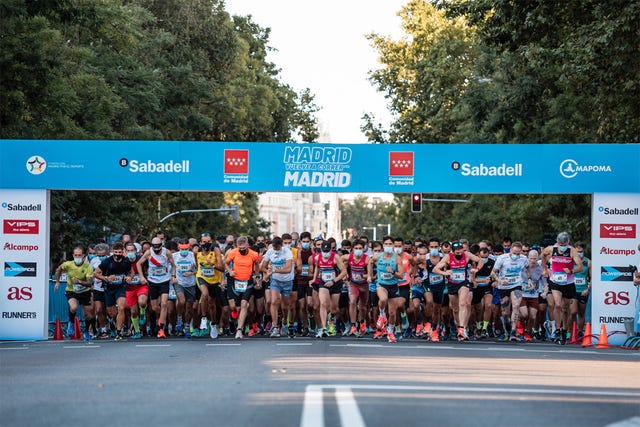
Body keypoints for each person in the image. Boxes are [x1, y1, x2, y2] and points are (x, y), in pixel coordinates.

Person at [433, 241, 484, 341]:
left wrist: (477, 269)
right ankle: (459, 327)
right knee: (455, 309)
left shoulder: (467, 255)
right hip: (452, 284)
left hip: (463, 283)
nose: (460, 253)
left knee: (463, 303)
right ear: (453, 251)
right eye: (457, 252)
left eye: (461, 250)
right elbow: (435, 269)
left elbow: (480, 261)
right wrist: (445, 272)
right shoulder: (448, 257)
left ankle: (462, 329)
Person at [541, 232, 583, 345]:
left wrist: (571, 271)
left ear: (568, 242)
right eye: (560, 244)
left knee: (565, 309)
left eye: (564, 244)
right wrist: (544, 269)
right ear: (557, 242)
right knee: (557, 304)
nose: (562, 246)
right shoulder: (551, 249)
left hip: (568, 282)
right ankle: (557, 329)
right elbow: (543, 254)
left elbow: (580, 266)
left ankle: (564, 330)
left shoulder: (572, 250)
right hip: (555, 281)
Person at [137, 237, 177, 339]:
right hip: (153, 281)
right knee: (155, 307)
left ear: (161, 245)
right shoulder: (148, 252)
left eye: (158, 247)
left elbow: (173, 265)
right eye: (154, 247)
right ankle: (161, 320)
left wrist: (173, 275)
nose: (156, 249)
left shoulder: (166, 252)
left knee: (164, 304)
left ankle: (161, 328)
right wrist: (142, 276)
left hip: (164, 281)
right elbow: (138, 263)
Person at [224, 236, 262, 339]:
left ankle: (239, 330)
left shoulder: (254, 254)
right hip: (234, 280)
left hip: (248, 281)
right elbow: (226, 263)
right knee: (235, 307)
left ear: (248, 246)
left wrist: (257, 277)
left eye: (244, 248)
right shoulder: (233, 252)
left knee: (244, 304)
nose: (242, 250)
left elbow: (257, 265)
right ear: (237, 246)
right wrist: (230, 271)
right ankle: (234, 313)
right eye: (240, 248)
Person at [369, 236, 405, 343]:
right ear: (383, 246)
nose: (388, 246)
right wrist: (370, 276)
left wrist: (392, 272)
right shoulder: (378, 257)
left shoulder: (397, 258)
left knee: (393, 313)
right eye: (386, 244)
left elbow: (401, 275)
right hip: (381, 284)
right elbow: (370, 262)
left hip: (393, 286)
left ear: (393, 246)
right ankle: (382, 314)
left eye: (390, 244)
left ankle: (390, 332)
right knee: (383, 299)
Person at [94, 242, 132, 340]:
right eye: (116, 252)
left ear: (123, 252)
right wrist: (106, 278)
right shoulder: (107, 261)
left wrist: (129, 277)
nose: (118, 254)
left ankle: (119, 332)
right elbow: (96, 273)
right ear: (112, 252)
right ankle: (117, 323)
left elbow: (131, 271)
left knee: (121, 308)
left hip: (120, 287)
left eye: (120, 252)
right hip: (108, 289)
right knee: (112, 313)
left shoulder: (126, 261)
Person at [54, 246, 94, 341]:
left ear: (83, 256)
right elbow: (59, 269)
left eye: (79, 255)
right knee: (73, 307)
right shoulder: (68, 264)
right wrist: (57, 281)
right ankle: (71, 323)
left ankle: (86, 331)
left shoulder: (88, 266)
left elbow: (89, 283)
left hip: (84, 291)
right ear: (73, 255)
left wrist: (79, 281)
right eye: (75, 255)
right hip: (71, 290)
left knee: (89, 315)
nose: (77, 257)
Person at [491, 242, 528, 342]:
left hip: (517, 284)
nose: (516, 255)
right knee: (505, 312)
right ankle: (506, 328)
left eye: (518, 253)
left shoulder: (523, 258)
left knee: (516, 306)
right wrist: (500, 281)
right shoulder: (502, 258)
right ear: (510, 250)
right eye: (514, 253)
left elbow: (527, 269)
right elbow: (493, 273)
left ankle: (513, 331)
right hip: (504, 286)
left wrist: (528, 280)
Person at [311, 241, 347, 338]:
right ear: (321, 250)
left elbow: (344, 272)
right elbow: (317, 268)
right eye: (324, 251)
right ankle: (323, 328)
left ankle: (331, 320)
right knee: (323, 303)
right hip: (323, 283)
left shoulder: (336, 257)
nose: (326, 253)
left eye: (328, 251)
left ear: (331, 250)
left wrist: (333, 281)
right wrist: (314, 279)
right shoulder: (317, 258)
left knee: (334, 309)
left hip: (335, 283)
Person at [261, 236, 294, 338]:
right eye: (274, 248)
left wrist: (274, 270)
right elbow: (262, 266)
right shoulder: (270, 252)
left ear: (281, 245)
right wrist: (268, 271)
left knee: (285, 307)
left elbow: (288, 269)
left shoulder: (287, 252)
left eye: (277, 248)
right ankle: (275, 327)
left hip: (287, 281)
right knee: (274, 301)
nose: (276, 250)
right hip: (275, 280)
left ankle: (284, 323)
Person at [195, 233, 224, 338]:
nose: (206, 244)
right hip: (201, 277)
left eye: (208, 242)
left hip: (214, 280)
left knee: (212, 304)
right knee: (205, 294)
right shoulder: (196, 252)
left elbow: (222, 268)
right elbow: (197, 265)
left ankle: (213, 324)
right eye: (204, 242)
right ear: (200, 243)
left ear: (211, 242)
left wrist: (212, 265)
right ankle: (203, 318)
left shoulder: (215, 251)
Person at [343, 239, 369, 336]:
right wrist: (344, 273)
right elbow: (338, 260)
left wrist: (363, 276)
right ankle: (353, 326)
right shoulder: (348, 257)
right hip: (354, 284)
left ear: (363, 249)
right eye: (356, 248)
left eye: (360, 248)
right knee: (353, 302)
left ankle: (362, 322)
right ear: (353, 249)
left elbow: (370, 275)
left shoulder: (367, 259)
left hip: (364, 285)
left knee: (362, 307)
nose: (358, 250)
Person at [173, 239, 198, 338]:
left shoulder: (192, 255)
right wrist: (173, 276)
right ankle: (179, 319)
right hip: (179, 283)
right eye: (182, 249)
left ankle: (187, 325)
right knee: (181, 301)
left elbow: (198, 270)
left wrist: (191, 273)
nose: (184, 251)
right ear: (179, 248)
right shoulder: (175, 256)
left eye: (186, 249)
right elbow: (171, 267)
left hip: (190, 284)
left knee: (189, 307)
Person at [519, 249, 545, 341]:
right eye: (531, 258)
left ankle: (527, 332)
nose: (533, 260)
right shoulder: (522, 266)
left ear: (538, 258)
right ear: (528, 258)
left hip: (534, 295)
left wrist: (545, 291)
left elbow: (545, 283)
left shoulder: (540, 268)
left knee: (533, 316)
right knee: (524, 314)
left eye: (535, 258)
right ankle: (520, 327)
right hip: (522, 294)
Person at [124, 242, 147, 339]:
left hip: (141, 286)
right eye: (128, 251)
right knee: (133, 312)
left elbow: (148, 270)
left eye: (132, 250)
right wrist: (125, 278)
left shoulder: (141, 260)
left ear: (135, 251)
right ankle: (137, 331)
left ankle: (142, 312)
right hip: (129, 289)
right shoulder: (123, 262)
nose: (130, 252)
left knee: (142, 302)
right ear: (125, 251)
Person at [573, 242, 592, 336]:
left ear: (583, 251)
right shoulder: (571, 261)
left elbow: (592, 277)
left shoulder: (588, 262)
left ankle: (580, 331)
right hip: (572, 290)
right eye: (577, 251)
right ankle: (571, 331)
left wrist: (588, 289)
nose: (579, 253)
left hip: (583, 290)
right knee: (572, 311)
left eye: (580, 251)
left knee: (581, 313)